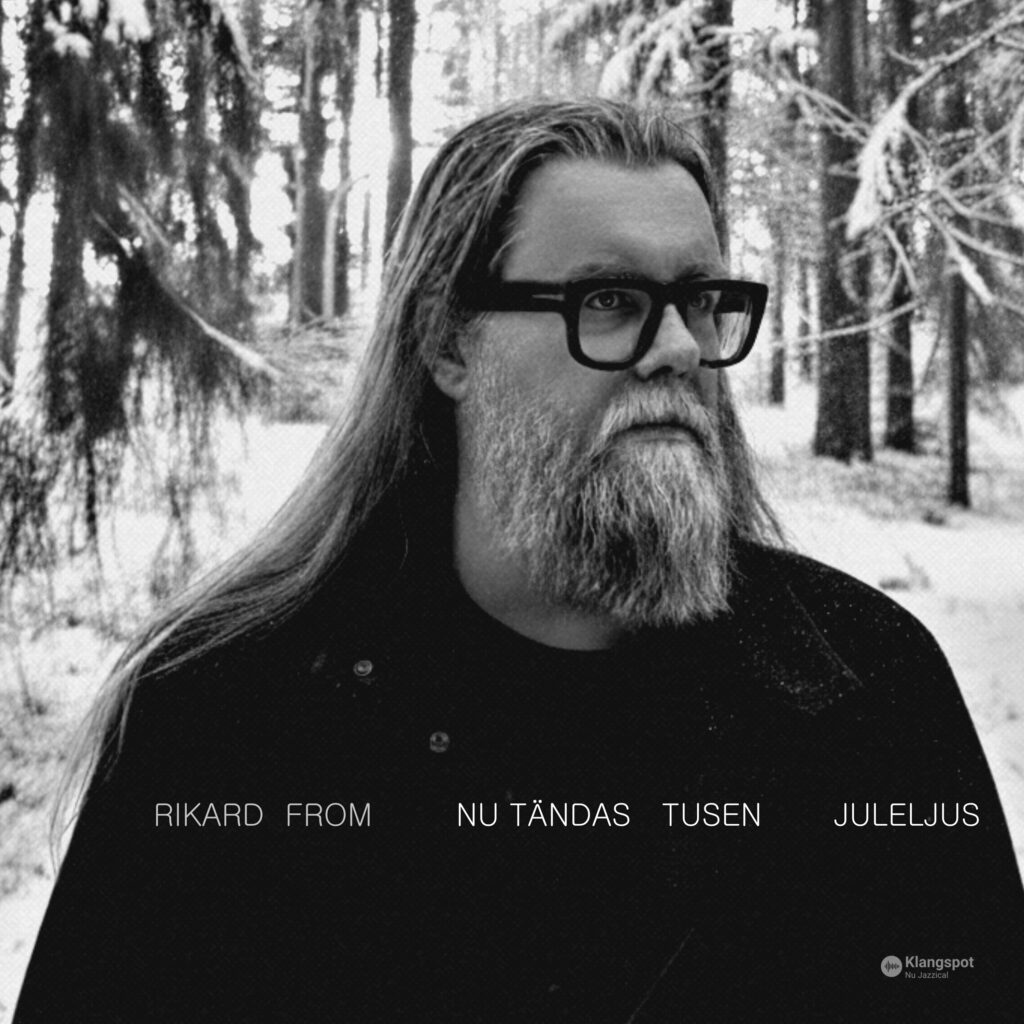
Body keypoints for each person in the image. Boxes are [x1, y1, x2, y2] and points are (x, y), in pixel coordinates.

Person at [14, 99, 1024, 1023]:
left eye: (700, 300)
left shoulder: (861, 692)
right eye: (611, 300)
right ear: (447, 343)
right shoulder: (229, 720)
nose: (678, 348)